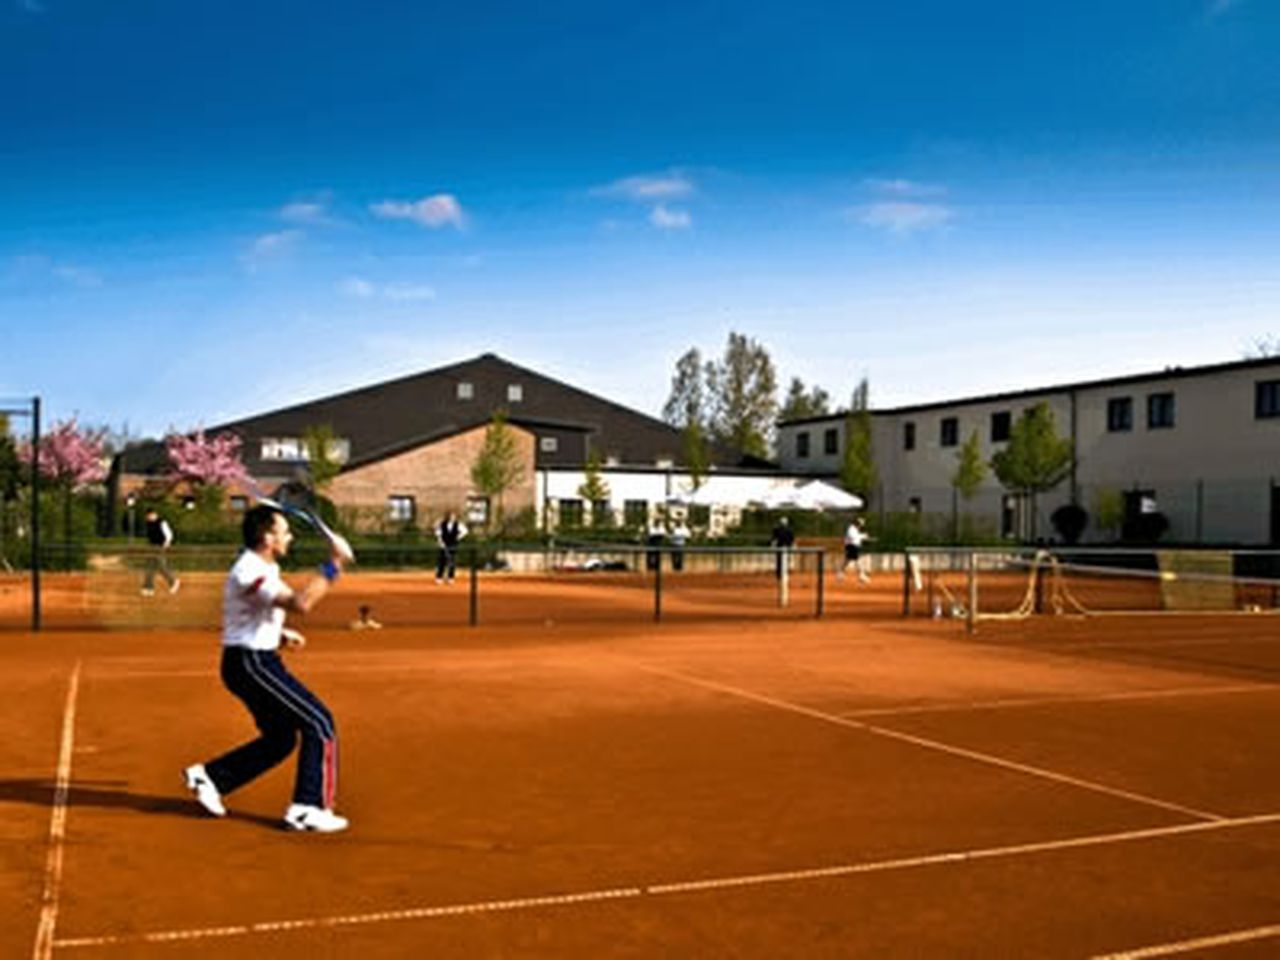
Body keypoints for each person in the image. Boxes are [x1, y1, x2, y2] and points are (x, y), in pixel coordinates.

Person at [182, 504, 349, 832]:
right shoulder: (249, 569)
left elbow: (256, 611)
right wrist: (334, 565)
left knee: (281, 739)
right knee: (320, 722)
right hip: (251, 663)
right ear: (267, 537)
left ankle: (211, 777)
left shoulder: (263, 568)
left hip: (252, 659)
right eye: (285, 531)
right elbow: (301, 603)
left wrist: (280, 634)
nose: (290, 537)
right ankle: (308, 807)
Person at [141, 508, 180, 596]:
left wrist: (166, 544)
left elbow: (169, 534)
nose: (148, 517)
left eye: (149, 515)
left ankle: (173, 581)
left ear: (154, 514)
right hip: (151, 547)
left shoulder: (162, 522)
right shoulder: (148, 523)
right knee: (150, 567)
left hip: (160, 546)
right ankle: (148, 587)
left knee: (161, 566)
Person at [435, 511, 468, 583]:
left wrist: (458, 537)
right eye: (450, 516)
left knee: (452, 561)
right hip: (444, 544)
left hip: (453, 545)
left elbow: (465, 531)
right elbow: (438, 534)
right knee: (442, 561)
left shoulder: (458, 524)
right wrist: (441, 542)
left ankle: (451, 577)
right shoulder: (442, 524)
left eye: (453, 517)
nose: (452, 518)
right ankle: (439, 577)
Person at [843, 516, 874, 583]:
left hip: (853, 546)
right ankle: (861, 576)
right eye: (860, 524)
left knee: (847, 560)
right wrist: (863, 536)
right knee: (857, 560)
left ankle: (840, 573)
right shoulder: (851, 529)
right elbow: (853, 537)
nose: (860, 526)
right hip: (851, 546)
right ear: (857, 523)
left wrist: (863, 536)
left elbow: (856, 537)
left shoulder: (854, 529)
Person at [770, 516, 795, 580]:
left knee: (780, 561)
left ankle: (780, 575)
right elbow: (791, 539)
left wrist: (773, 545)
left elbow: (774, 539)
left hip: (781, 547)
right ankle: (782, 574)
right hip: (784, 547)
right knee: (783, 561)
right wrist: (792, 546)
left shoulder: (777, 529)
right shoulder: (788, 530)